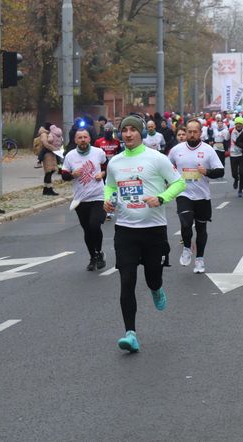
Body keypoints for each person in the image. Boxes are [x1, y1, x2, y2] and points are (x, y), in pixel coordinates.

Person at [103, 115, 185, 353]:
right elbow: (110, 185)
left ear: (141, 133)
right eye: (124, 130)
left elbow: (179, 183)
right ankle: (130, 333)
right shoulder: (115, 162)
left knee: (152, 277)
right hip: (126, 231)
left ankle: (156, 287)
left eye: (133, 130)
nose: (128, 134)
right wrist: (108, 200)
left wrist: (161, 198)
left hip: (154, 231)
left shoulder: (156, 159)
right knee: (127, 281)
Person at [168, 120, 224, 274]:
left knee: (201, 229)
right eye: (189, 131)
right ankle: (187, 248)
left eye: (195, 132)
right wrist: (169, 180)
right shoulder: (176, 150)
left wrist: (207, 172)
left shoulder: (208, 150)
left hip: (202, 196)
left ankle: (200, 259)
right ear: (185, 132)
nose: (191, 134)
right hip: (183, 193)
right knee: (186, 224)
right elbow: (166, 167)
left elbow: (220, 171)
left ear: (200, 133)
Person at [62, 128, 107, 271]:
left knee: (95, 225)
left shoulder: (98, 152)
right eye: (79, 137)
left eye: (85, 137)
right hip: (80, 199)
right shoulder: (70, 156)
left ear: (89, 139)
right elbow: (64, 175)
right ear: (75, 140)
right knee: (87, 230)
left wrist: (102, 173)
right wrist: (72, 175)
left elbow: (107, 167)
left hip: (98, 196)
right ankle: (92, 257)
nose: (82, 140)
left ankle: (99, 253)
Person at [37, 123, 60, 196]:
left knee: (50, 172)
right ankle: (48, 190)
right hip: (47, 155)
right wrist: (54, 149)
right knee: (48, 172)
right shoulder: (44, 134)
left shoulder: (48, 133)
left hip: (50, 154)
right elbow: (45, 144)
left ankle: (46, 189)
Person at [229, 117, 243, 195]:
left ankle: (240, 189)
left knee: (242, 173)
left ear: (242, 124)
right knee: (234, 173)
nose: (238, 125)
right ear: (235, 124)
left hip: (242, 155)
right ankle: (236, 179)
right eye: (237, 124)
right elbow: (226, 139)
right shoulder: (231, 131)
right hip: (233, 154)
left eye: (240, 124)